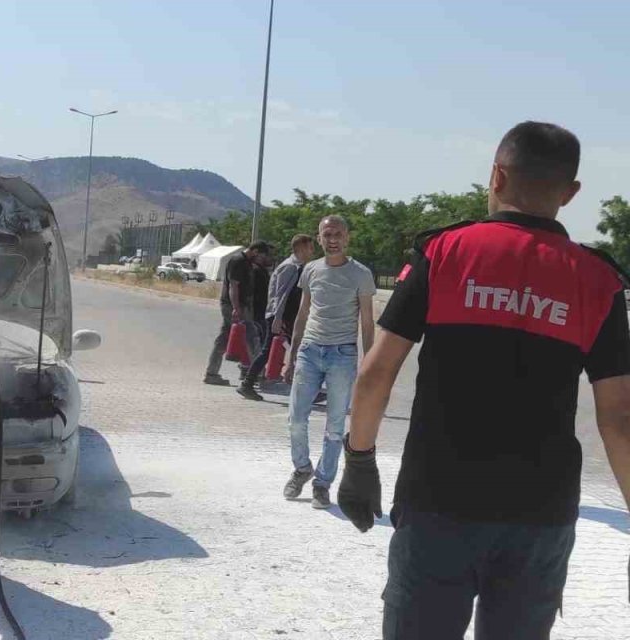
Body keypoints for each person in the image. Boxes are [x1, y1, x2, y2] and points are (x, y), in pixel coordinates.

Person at [338, 122, 630, 639]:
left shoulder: (444, 253)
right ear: (571, 192)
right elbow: (620, 419)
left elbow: (376, 373)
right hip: (540, 514)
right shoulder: (599, 280)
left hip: (437, 501)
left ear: (496, 175)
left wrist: (359, 461)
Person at [282, 215, 375, 509]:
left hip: (342, 355)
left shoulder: (361, 274)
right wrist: (291, 353)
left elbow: (368, 323)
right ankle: (302, 468)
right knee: (296, 419)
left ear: (346, 237)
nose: (332, 239)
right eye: (326, 234)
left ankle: (323, 484)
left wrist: (369, 366)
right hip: (309, 351)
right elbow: (302, 313)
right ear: (319, 238)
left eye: (337, 234)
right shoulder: (310, 270)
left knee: (335, 427)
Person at [239, 234, 317, 400]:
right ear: (301, 248)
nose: (312, 251)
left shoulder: (299, 266)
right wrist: (277, 318)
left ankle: (304, 389)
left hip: (288, 316)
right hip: (280, 316)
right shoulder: (289, 267)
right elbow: (280, 295)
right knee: (274, 350)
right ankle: (247, 383)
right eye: (310, 247)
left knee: (298, 349)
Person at [204, 241, 275, 386]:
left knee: (223, 339)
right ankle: (257, 375)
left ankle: (211, 373)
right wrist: (236, 307)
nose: (262, 258)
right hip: (234, 306)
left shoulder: (246, 262)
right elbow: (233, 286)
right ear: (255, 251)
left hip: (240, 306)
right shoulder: (238, 261)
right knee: (252, 337)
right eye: (262, 254)